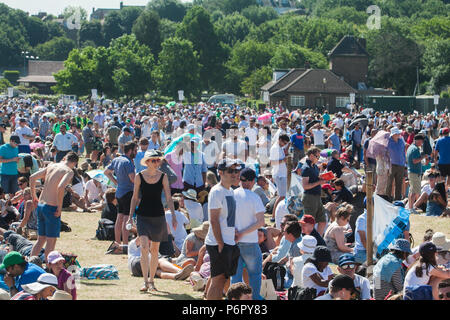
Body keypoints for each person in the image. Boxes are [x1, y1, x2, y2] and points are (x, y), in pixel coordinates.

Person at [128, 149, 178, 292]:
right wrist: (131, 216)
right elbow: (135, 197)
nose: (157, 162)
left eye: (158, 160)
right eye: (154, 160)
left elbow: (169, 198)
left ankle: (151, 281)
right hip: (142, 215)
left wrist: (173, 215)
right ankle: (145, 281)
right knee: (144, 246)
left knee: (155, 250)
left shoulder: (163, 176)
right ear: (147, 162)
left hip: (158, 215)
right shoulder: (139, 176)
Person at [29, 152, 79, 260]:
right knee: (51, 241)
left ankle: (30, 264)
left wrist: (34, 196)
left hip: (41, 204)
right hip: (51, 207)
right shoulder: (69, 171)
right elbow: (61, 187)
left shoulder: (51, 165)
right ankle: (49, 267)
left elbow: (32, 177)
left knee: (40, 239)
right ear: (74, 163)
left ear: (64, 158)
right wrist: (59, 207)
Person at [204, 159, 241, 300]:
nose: (234, 174)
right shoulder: (217, 191)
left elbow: (227, 218)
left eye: (236, 171)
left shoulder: (230, 191)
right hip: (218, 242)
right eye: (230, 171)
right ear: (220, 172)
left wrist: (234, 232)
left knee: (223, 279)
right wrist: (220, 242)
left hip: (228, 241)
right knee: (217, 280)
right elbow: (213, 219)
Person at [231, 168, 265, 300]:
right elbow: (261, 222)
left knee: (236, 277)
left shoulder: (231, 195)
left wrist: (234, 232)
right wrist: (242, 233)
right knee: (254, 275)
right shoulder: (254, 197)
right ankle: (255, 300)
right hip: (249, 242)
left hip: (233, 241)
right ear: (252, 181)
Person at [104, 141, 137, 247]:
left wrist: (116, 182)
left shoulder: (116, 159)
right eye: (135, 150)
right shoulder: (128, 162)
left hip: (119, 192)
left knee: (119, 218)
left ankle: (118, 242)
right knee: (127, 220)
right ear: (130, 151)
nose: (136, 153)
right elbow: (132, 179)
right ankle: (126, 244)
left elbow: (106, 172)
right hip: (128, 192)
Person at [301, 147, 327, 236]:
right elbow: (305, 186)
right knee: (308, 223)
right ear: (311, 156)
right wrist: (319, 182)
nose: (318, 159)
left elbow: (314, 179)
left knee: (322, 221)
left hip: (317, 197)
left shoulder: (315, 167)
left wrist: (323, 177)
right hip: (309, 197)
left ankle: (318, 241)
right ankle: (307, 241)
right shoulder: (306, 168)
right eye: (317, 157)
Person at [270, 134, 290, 222]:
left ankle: (275, 215)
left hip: (282, 174)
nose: (284, 144)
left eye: (286, 143)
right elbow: (272, 162)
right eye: (284, 142)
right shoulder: (275, 148)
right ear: (280, 139)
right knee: (282, 196)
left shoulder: (279, 148)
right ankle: (274, 216)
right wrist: (283, 160)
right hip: (279, 175)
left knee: (281, 196)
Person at [406, 134, 427, 211]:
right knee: (413, 192)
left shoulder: (411, 147)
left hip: (412, 172)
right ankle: (411, 208)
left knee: (412, 191)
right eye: (421, 141)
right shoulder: (414, 149)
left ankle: (410, 207)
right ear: (418, 140)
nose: (422, 143)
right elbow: (414, 161)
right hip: (414, 172)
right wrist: (422, 157)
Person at [386, 127, 406, 201]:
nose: (399, 134)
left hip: (401, 164)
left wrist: (404, 163)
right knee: (389, 183)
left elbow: (403, 152)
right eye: (397, 133)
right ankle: (387, 198)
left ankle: (397, 199)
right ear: (393, 134)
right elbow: (386, 154)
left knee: (399, 183)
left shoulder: (401, 141)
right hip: (392, 164)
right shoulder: (388, 142)